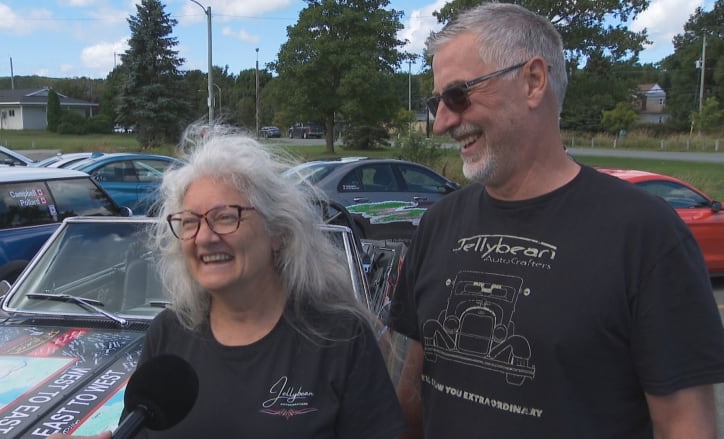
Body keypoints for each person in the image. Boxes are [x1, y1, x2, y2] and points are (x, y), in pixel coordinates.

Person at [388, 3, 724, 438]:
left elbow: (685, 426)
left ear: (533, 81)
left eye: (457, 96)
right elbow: (406, 391)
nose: (441, 123)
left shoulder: (644, 233)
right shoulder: (439, 223)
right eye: (438, 103)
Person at [50, 127, 406, 439]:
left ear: (277, 233)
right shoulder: (168, 335)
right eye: (189, 222)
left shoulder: (340, 337)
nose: (204, 237)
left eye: (225, 217)